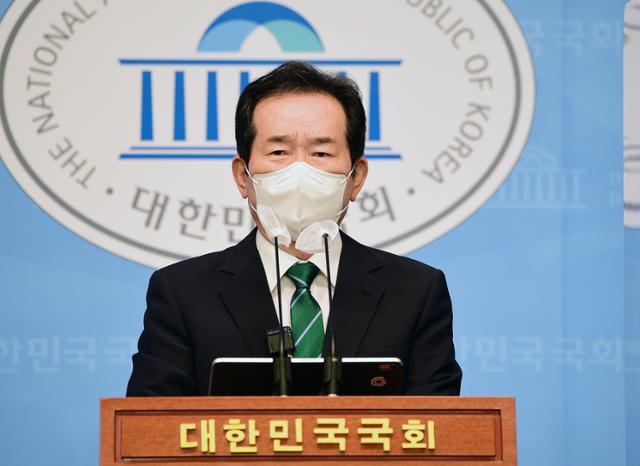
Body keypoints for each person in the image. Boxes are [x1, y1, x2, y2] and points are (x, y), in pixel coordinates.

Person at [127, 61, 462, 396]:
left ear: (356, 178)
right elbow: (150, 422)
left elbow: (440, 422)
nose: (300, 172)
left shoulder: (415, 292)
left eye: (321, 152)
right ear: (243, 176)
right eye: (279, 151)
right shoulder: (183, 294)